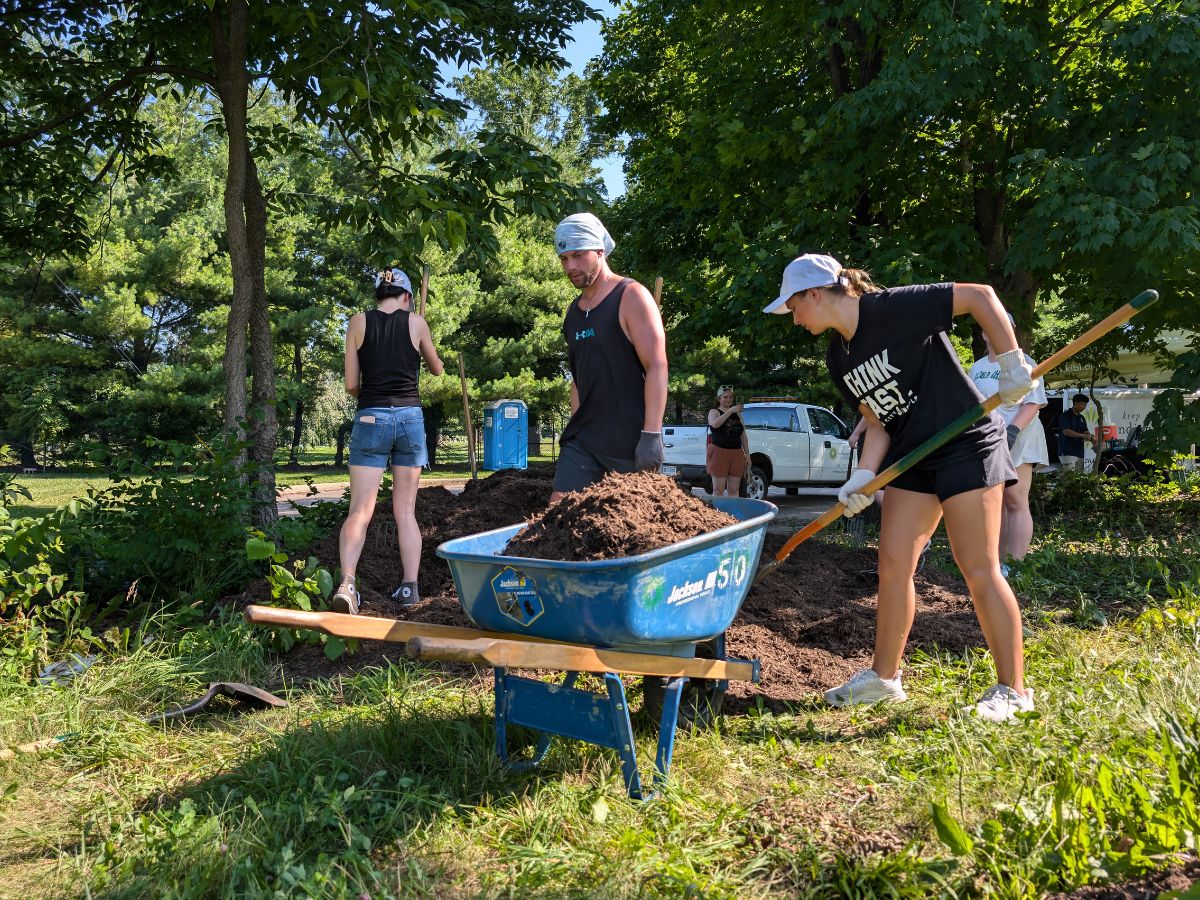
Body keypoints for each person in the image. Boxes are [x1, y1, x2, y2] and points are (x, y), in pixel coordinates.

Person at [764, 253, 1036, 723]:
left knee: (978, 567)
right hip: (914, 455)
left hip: (965, 444)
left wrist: (1011, 362)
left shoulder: (892, 307)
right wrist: (864, 475)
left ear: (815, 294)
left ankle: (1013, 689)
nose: (794, 318)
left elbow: (980, 296)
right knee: (892, 563)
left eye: (793, 307)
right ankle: (884, 679)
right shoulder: (838, 356)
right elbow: (877, 419)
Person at [332, 267, 444, 615]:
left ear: (378, 294)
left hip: (371, 417)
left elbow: (352, 384)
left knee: (360, 511)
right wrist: (421, 339)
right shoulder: (417, 323)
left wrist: (372, 399)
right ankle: (410, 587)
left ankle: (347, 585)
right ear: (407, 296)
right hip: (410, 419)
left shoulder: (357, 322)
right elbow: (437, 369)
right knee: (406, 512)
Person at [550, 212, 668, 502]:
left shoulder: (631, 296)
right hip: (584, 440)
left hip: (629, 441)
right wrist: (577, 422)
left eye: (578, 255)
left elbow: (656, 366)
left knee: (629, 522)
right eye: (564, 258)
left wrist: (651, 435)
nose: (570, 266)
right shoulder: (573, 313)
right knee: (558, 511)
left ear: (600, 251)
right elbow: (578, 378)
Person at [968, 314, 1048, 574]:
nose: (1000, 331)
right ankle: (998, 562)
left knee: (1015, 499)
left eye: (1006, 327)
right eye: (993, 326)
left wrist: (1013, 431)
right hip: (990, 438)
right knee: (997, 500)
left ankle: (1015, 564)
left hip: (1020, 436)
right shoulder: (977, 368)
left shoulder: (1024, 363)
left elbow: (1033, 402)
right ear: (984, 333)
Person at [707, 385, 750, 497]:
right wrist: (730, 411)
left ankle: (733, 509)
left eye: (731, 397)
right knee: (718, 490)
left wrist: (748, 455)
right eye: (725, 397)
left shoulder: (737, 414)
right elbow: (715, 424)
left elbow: (743, 435)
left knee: (734, 490)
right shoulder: (714, 412)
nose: (728, 399)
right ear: (719, 399)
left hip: (736, 453)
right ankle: (716, 509)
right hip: (719, 452)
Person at [1058, 394, 1096, 473]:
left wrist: (1091, 438)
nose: (1084, 407)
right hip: (1067, 452)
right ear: (1075, 403)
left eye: (1085, 405)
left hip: (1080, 453)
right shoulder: (1065, 415)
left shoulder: (1082, 417)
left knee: (1078, 478)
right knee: (1068, 477)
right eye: (1082, 404)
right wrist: (1083, 435)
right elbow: (1066, 432)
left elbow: (1085, 432)